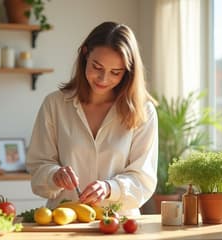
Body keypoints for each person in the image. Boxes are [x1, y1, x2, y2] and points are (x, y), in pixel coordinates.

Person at [26, 21, 158, 216]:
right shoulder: (54, 104)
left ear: (128, 72)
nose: (103, 79)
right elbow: (38, 168)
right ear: (85, 54)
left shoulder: (143, 111)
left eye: (115, 72)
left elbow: (143, 179)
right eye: (97, 67)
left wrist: (109, 188)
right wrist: (54, 175)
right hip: (62, 223)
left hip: (118, 225)